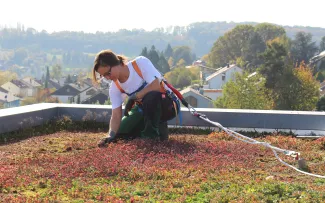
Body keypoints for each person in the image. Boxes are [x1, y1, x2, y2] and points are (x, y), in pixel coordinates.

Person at [92, 50, 180, 147]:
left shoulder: (140, 63)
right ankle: (158, 131)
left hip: (167, 105)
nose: (107, 78)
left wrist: (135, 97)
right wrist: (111, 135)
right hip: (143, 110)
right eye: (104, 76)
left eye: (108, 73)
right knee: (120, 134)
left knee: (152, 96)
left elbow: (157, 85)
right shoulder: (114, 87)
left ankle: (150, 138)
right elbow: (116, 115)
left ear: (116, 63)